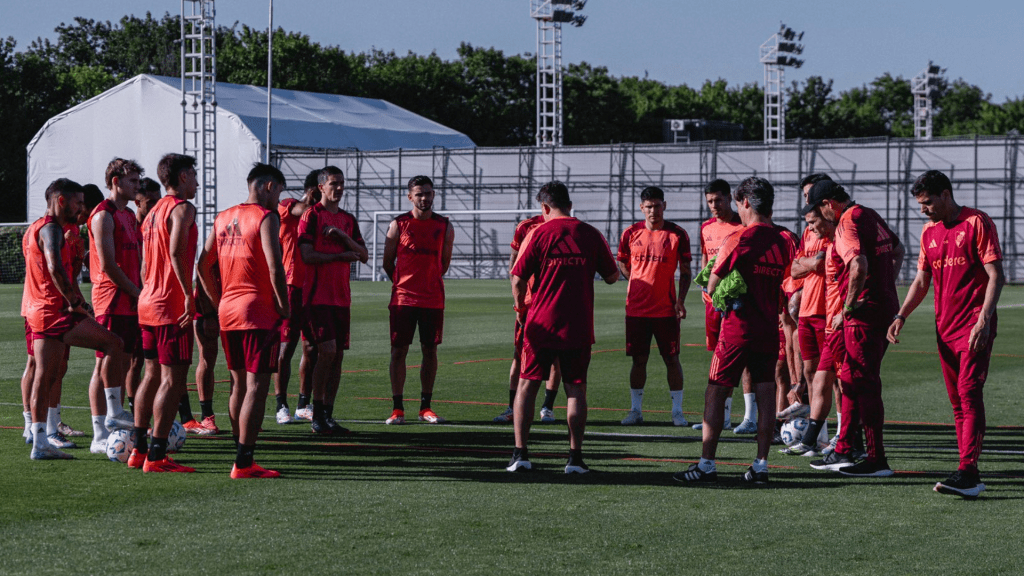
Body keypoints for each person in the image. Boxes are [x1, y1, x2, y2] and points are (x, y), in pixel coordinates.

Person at [887, 170, 1004, 497]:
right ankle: (967, 472)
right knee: (956, 402)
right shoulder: (928, 233)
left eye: (927, 203)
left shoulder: (977, 223)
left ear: (946, 195)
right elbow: (922, 281)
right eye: (920, 204)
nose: (923, 210)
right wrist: (901, 315)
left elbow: (997, 275)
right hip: (945, 330)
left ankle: (968, 471)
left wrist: (984, 320)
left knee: (969, 392)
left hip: (973, 327)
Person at [674, 176, 793, 485]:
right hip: (769, 326)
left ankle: (706, 464)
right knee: (767, 393)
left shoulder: (739, 238)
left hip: (738, 329)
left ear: (743, 203)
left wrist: (724, 286)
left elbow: (712, 285)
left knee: (716, 390)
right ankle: (761, 464)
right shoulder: (784, 240)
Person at [507, 181, 619, 473]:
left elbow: (517, 278)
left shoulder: (538, 233)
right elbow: (612, 276)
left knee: (527, 385)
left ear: (544, 207)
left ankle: (520, 455)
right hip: (578, 325)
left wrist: (520, 310)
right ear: (570, 204)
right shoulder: (590, 234)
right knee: (576, 389)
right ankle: (575, 458)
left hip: (541, 323)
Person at [803, 180, 904, 477]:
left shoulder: (849, 220)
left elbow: (858, 265)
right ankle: (845, 447)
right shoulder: (869, 214)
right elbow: (897, 249)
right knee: (850, 378)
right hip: (880, 309)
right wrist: (885, 287)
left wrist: (849, 306)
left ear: (828, 205)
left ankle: (875, 458)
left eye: (818, 210)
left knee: (863, 382)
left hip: (863, 315)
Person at [197, 163, 290, 478]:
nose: (278, 200)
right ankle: (244, 461)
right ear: (267, 186)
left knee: (238, 384)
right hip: (257, 311)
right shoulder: (266, 217)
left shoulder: (222, 217)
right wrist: (284, 304)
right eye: (278, 192)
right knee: (256, 385)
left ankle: (241, 451)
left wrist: (215, 299)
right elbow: (276, 266)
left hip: (228, 310)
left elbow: (203, 263)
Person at [22, 178, 124, 459]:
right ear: (61, 201)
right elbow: (54, 268)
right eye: (78, 202)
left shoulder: (34, 228)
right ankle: (114, 413)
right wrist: (75, 301)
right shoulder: (52, 228)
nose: (82, 207)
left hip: (40, 311)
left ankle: (40, 441)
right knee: (114, 344)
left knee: (45, 375)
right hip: (56, 311)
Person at [131, 153, 199, 473]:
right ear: (183, 177)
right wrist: (188, 295)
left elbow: (146, 265)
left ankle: (138, 449)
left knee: (151, 375)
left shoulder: (153, 212)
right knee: (173, 381)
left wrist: (151, 291)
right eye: (194, 175)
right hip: (172, 306)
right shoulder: (183, 208)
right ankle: (157, 456)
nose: (198, 181)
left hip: (148, 302)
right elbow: (175, 251)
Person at [298, 165, 368, 434]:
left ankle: (328, 415)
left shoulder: (348, 220)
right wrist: (339, 256)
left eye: (341, 183)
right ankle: (315, 413)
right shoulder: (311, 216)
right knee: (325, 352)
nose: (339, 188)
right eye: (333, 183)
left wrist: (341, 237)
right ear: (321, 188)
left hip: (342, 298)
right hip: (317, 297)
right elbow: (307, 256)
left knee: (337, 356)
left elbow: (363, 255)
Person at [382, 175, 454, 425]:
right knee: (398, 351)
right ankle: (397, 407)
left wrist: (428, 280)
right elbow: (387, 262)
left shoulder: (444, 225)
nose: (425, 198)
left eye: (429, 193)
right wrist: (405, 284)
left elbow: (444, 263)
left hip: (433, 299)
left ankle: (425, 407)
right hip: (403, 300)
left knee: (430, 350)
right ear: (410, 196)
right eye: (420, 194)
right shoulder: (398, 224)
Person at [617, 186, 692, 426]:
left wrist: (680, 299)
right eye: (648, 207)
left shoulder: (677, 234)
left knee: (672, 359)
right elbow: (622, 262)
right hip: (636, 310)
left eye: (657, 206)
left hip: (666, 310)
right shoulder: (630, 233)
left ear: (664, 206)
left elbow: (687, 271)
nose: (653, 211)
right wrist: (637, 282)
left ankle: (677, 412)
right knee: (638, 360)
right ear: (641, 208)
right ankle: (635, 411)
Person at [86, 159, 144, 452]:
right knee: (103, 363)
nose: (137, 186)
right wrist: (137, 292)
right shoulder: (103, 216)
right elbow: (108, 265)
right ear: (115, 181)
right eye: (132, 181)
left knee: (120, 361)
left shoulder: (130, 215)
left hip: (131, 298)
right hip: (111, 298)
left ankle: (112, 422)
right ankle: (100, 432)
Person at [780, 203, 840, 457]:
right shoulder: (808, 234)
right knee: (810, 373)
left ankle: (841, 434)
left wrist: (807, 264)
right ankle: (819, 437)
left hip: (828, 311)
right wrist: (808, 262)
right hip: (806, 311)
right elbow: (794, 268)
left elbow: (818, 265)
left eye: (814, 221)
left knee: (833, 378)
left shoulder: (836, 235)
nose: (811, 227)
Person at [494, 212, 561, 425]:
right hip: (530, 304)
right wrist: (519, 301)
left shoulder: (566, 227)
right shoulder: (527, 226)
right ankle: (512, 408)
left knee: (557, 359)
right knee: (519, 355)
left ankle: (547, 408)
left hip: (557, 304)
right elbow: (515, 266)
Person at [695, 179, 743, 432]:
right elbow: (706, 258)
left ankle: (750, 417)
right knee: (718, 356)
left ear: (729, 199)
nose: (714, 206)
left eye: (718, 200)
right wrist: (705, 288)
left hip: (736, 301)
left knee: (741, 358)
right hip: (713, 301)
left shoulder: (742, 225)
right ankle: (722, 416)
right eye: (710, 202)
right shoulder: (706, 228)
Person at [274, 169, 321, 424]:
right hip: (291, 285)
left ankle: (304, 403)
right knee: (286, 347)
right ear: (315, 190)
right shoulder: (288, 205)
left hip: (314, 288)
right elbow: (300, 210)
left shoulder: (321, 216)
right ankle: (281, 404)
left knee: (313, 346)